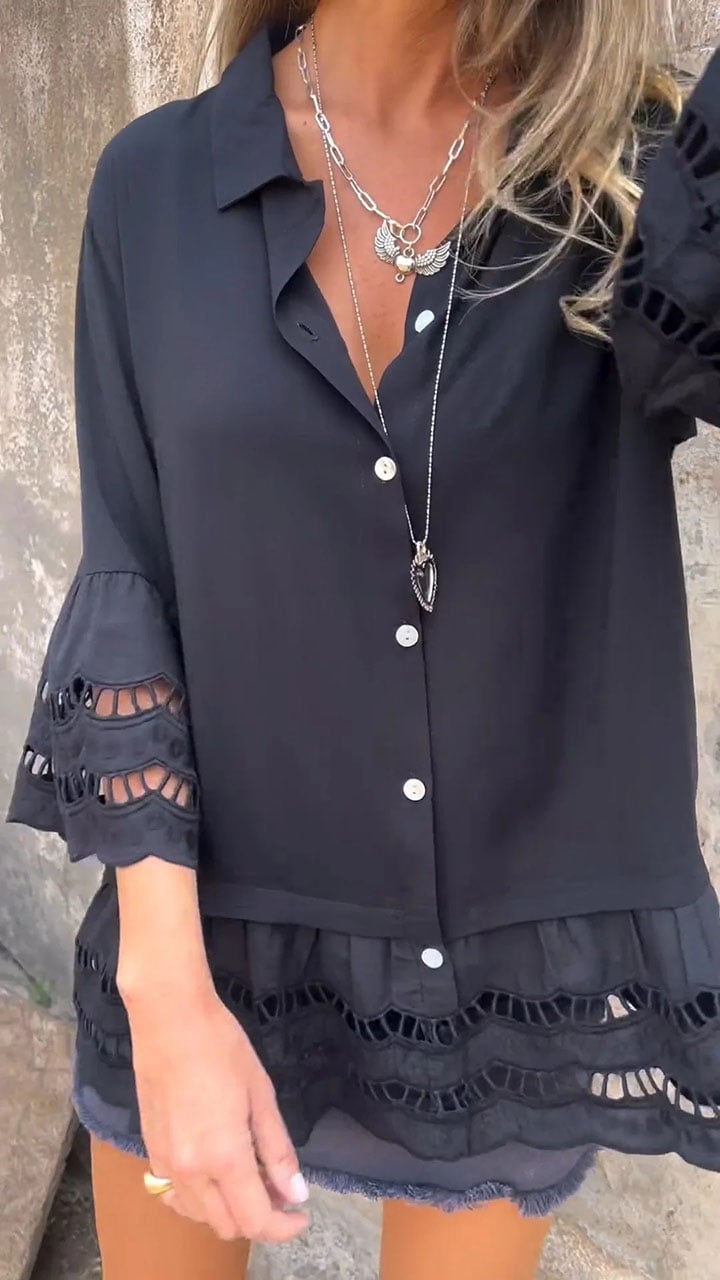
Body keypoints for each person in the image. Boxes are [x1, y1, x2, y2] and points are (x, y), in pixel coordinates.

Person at [7, 1, 720, 1277]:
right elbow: (131, 579)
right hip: (206, 929)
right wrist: (164, 992)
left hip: (513, 973)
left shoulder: (632, 181)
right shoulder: (155, 187)